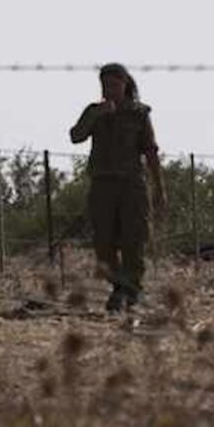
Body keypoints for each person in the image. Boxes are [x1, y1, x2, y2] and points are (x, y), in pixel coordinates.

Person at [69, 62, 166, 312]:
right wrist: (97, 114)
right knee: (103, 242)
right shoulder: (94, 111)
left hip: (132, 186)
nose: (109, 89)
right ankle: (119, 287)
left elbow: (151, 151)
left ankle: (131, 291)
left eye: (114, 84)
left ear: (125, 85)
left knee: (134, 240)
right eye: (105, 85)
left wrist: (159, 187)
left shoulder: (139, 113)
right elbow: (76, 136)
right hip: (102, 186)